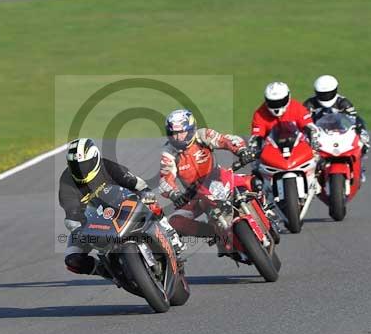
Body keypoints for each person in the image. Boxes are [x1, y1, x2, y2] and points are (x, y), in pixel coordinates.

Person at [58, 138, 184, 277]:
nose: (80, 171)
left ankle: (168, 231)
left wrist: (145, 193)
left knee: (149, 198)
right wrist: (78, 229)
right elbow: (71, 212)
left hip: (121, 205)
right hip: (92, 223)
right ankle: (108, 272)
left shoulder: (106, 165)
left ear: (95, 159)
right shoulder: (67, 181)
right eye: (75, 166)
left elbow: (135, 182)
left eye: (84, 165)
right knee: (72, 259)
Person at [159, 109, 254, 241]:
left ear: (191, 129)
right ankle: (214, 233)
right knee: (175, 222)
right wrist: (174, 194)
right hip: (196, 194)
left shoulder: (202, 135)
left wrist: (242, 151)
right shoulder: (168, 152)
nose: (178, 137)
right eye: (174, 133)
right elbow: (165, 178)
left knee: (253, 181)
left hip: (219, 177)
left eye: (181, 132)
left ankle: (267, 210)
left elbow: (226, 140)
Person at [303, 74, 370, 181]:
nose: (325, 96)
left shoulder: (343, 102)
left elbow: (354, 118)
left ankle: (358, 167)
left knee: (361, 145)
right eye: (322, 94)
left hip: (339, 130)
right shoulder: (310, 104)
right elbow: (302, 121)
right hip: (317, 133)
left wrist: (360, 131)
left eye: (328, 93)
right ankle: (309, 174)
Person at [250, 81, 317, 153]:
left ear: (288, 97)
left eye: (280, 102)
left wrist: (313, 142)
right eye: (273, 103)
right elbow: (256, 136)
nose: (277, 106)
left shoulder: (297, 107)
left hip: (298, 150)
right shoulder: (260, 113)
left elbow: (309, 127)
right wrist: (254, 150)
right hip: (272, 153)